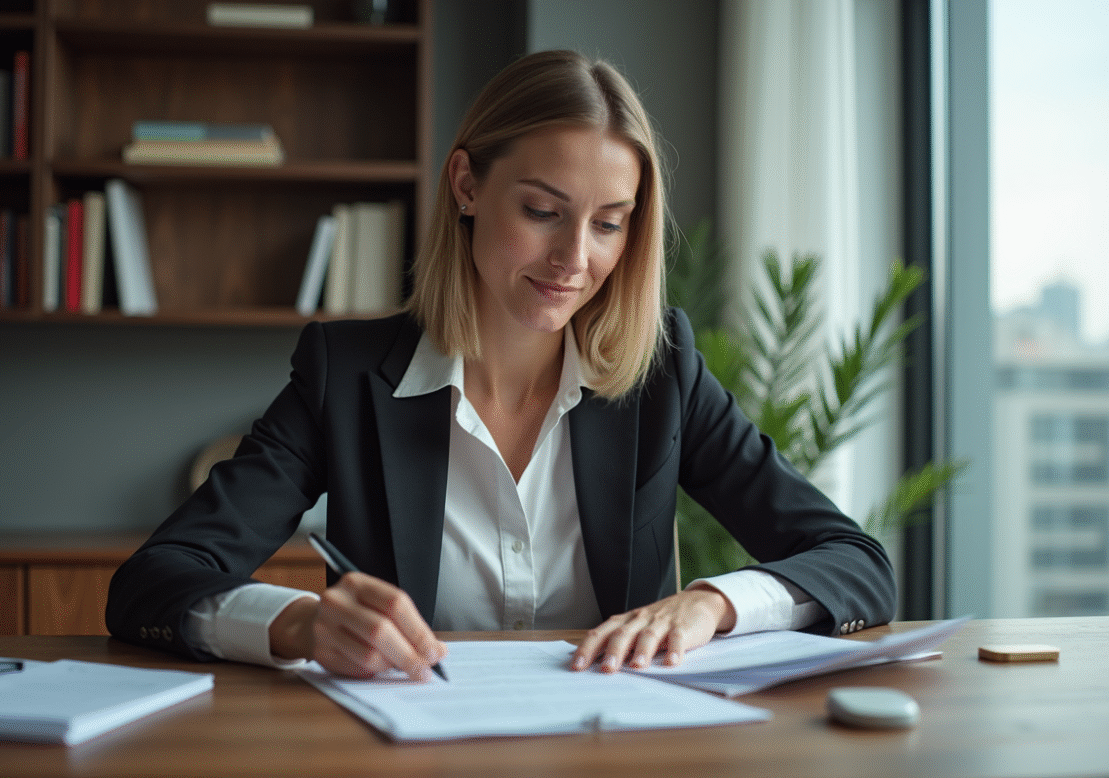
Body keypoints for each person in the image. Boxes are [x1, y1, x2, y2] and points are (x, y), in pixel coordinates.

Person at [106, 49, 896, 682]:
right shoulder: (344, 376)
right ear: (467, 185)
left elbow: (858, 566)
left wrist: (710, 606)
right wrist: (300, 623)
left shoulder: (664, 373)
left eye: (609, 225)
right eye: (543, 212)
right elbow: (155, 581)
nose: (573, 259)